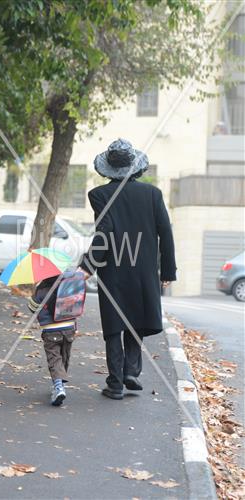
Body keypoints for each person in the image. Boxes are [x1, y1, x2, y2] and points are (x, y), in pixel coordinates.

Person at [79, 138, 177, 400]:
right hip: (144, 269)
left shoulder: (99, 195)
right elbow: (165, 233)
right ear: (135, 167)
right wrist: (168, 271)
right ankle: (131, 370)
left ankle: (115, 383)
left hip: (113, 269)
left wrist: (87, 266)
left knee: (114, 324)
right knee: (136, 319)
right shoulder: (153, 195)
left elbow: (105, 233)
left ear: (109, 168)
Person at [28, 271, 85, 406]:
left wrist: (34, 290)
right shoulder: (67, 287)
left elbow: (32, 308)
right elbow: (74, 308)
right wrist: (75, 326)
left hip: (51, 330)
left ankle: (59, 387)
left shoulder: (41, 290)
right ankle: (60, 382)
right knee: (64, 356)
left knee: (54, 358)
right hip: (69, 328)